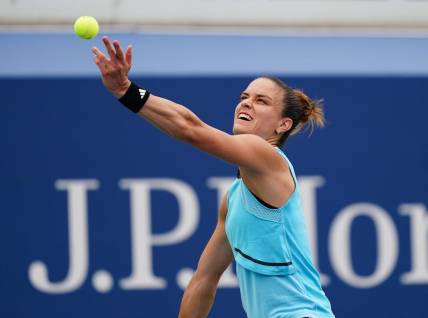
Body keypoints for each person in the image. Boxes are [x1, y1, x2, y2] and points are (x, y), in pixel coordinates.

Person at [92, 36, 335, 318]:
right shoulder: (232, 200)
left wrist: (126, 90)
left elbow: (189, 129)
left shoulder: (268, 157)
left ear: (283, 124)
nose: (246, 104)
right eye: (244, 97)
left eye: (261, 101)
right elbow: (204, 281)